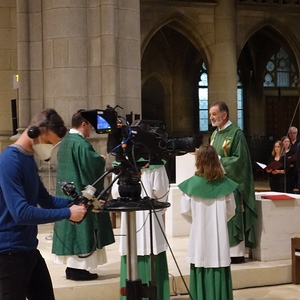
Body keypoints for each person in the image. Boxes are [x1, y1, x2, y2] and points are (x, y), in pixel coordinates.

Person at [0, 108, 87, 300]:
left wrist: (77, 203)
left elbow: (45, 199)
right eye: (48, 142)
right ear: (34, 131)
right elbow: (21, 213)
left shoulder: (27, 159)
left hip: (29, 250)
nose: (48, 148)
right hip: (9, 254)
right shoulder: (10, 160)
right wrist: (67, 214)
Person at [52, 109, 115, 281]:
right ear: (84, 123)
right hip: (80, 195)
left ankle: (72, 269)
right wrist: (101, 159)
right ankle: (79, 270)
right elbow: (90, 165)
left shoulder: (65, 142)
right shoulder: (80, 143)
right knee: (82, 230)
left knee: (72, 232)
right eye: (90, 126)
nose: (91, 130)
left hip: (67, 196)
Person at [179, 144, 237, 300]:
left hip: (199, 236)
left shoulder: (192, 185)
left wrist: (199, 222)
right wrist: (218, 222)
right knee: (218, 260)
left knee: (200, 260)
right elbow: (231, 210)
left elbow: (185, 211)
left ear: (198, 161)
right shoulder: (225, 185)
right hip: (219, 236)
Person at [111, 161, 170, 300]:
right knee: (153, 249)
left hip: (129, 217)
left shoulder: (122, 163)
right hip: (151, 219)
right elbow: (161, 193)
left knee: (131, 249)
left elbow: (115, 193)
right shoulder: (157, 165)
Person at [209, 101, 257, 264]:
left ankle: (235, 253)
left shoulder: (236, 133)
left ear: (224, 115)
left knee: (232, 215)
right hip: (217, 183)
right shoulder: (215, 134)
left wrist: (219, 161)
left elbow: (240, 160)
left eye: (214, 114)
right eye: (210, 115)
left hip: (232, 183)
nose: (211, 117)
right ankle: (221, 249)